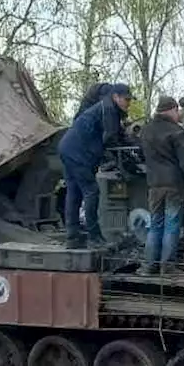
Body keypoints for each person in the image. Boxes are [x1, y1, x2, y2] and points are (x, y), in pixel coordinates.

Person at [58, 83, 133, 248]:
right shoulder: (109, 110)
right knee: (92, 191)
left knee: (74, 192)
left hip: (67, 147)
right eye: (126, 99)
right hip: (79, 152)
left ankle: (72, 237)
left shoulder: (104, 108)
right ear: (116, 97)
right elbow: (110, 137)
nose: (129, 103)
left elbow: (112, 134)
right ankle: (94, 237)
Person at [138, 95, 184, 274]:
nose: (179, 115)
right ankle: (167, 267)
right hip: (174, 186)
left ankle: (149, 265)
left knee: (155, 225)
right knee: (172, 226)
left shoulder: (146, 131)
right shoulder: (177, 132)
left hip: (154, 185)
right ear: (172, 110)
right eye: (177, 111)